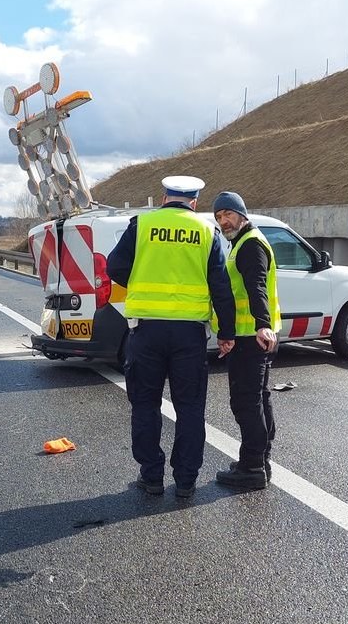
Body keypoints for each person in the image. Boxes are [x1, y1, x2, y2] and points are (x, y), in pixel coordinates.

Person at [107, 176, 237, 498]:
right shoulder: (207, 231)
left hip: (146, 330)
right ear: (194, 201)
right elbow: (221, 286)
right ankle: (186, 481)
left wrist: (140, 280)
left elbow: (114, 267)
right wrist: (226, 333)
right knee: (190, 407)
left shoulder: (142, 224)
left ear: (165, 197)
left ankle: (151, 477)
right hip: (189, 335)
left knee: (145, 404)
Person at [209, 192, 282, 492]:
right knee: (259, 400)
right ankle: (259, 461)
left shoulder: (250, 245)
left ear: (242, 214)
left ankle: (252, 467)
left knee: (245, 402)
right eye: (218, 216)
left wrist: (263, 326)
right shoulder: (241, 243)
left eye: (228, 213)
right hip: (248, 337)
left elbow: (257, 287)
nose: (223, 220)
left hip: (251, 337)